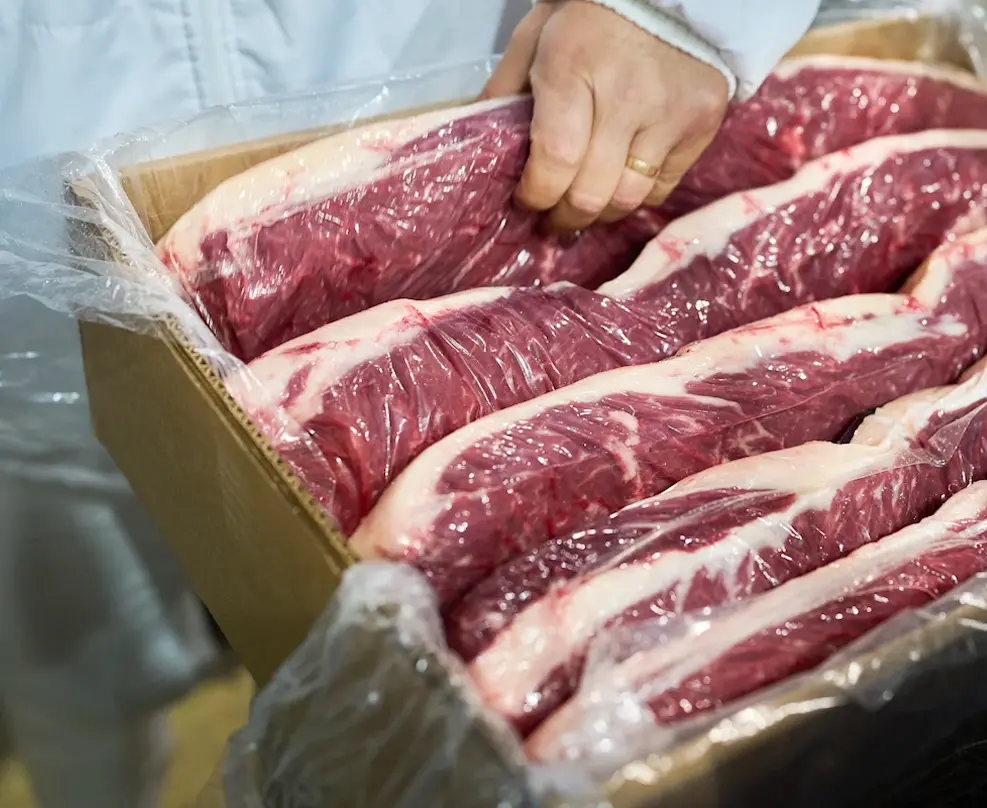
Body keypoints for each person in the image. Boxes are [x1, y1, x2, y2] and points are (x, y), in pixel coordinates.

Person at [0, 1, 820, 806]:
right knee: (76, 631)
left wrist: (686, 13)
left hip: (451, 120)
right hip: (40, 221)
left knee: (337, 615)